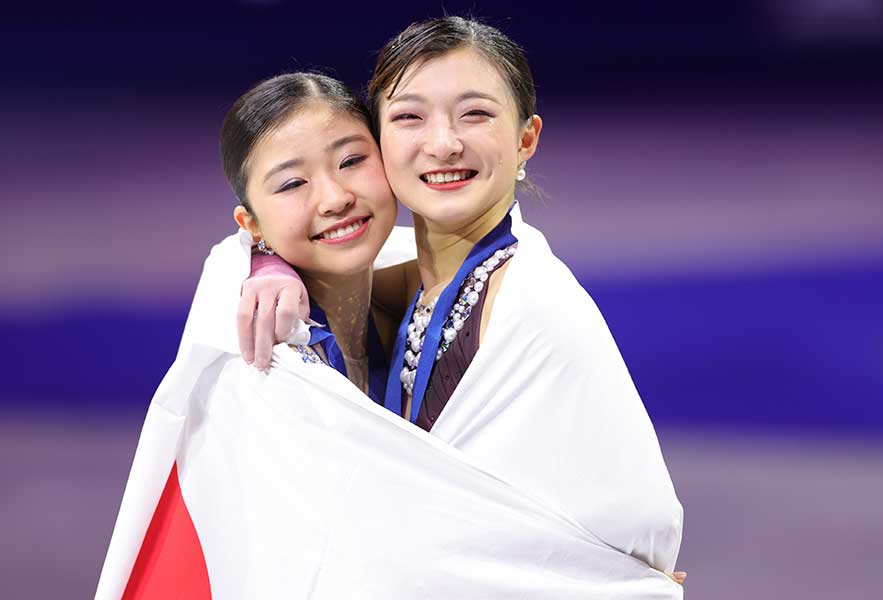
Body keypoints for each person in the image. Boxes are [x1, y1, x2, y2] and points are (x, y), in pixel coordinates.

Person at [95, 68, 684, 598]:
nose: (335, 197)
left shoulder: (442, 291)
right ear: (251, 225)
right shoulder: (261, 361)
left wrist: (602, 576)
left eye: (352, 160)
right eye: (292, 184)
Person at [242, 15, 684, 583]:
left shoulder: (534, 307)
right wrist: (265, 260)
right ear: (378, 141)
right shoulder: (409, 290)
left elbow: (639, 527)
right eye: (408, 118)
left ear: (526, 138)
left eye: (475, 114)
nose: (444, 144)